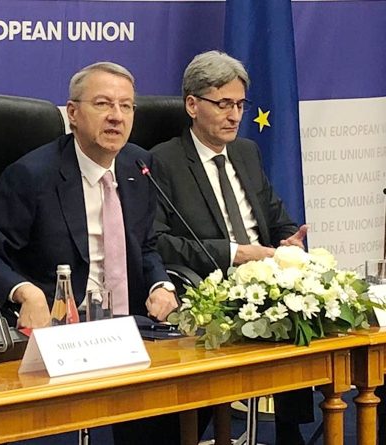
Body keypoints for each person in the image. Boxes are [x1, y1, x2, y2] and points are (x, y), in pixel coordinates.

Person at [0, 62, 187, 443]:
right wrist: (26, 292)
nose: (116, 116)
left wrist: (160, 284)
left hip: (131, 331)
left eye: (126, 106)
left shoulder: (139, 166)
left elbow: (144, 244)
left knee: (186, 399)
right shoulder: (33, 176)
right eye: (103, 104)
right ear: (73, 113)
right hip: (65, 335)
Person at [149, 50, 311, 445]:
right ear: (192, 105)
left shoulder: (247, 152)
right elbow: (157, 242)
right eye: (223, 104)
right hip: (209, 285)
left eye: (240, 105)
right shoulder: (163, 161)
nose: (234, 115)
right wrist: (234, 253)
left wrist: (289, 243)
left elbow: (278, 219)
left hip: (265, 280)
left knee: (303, 306)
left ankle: (290, 433)